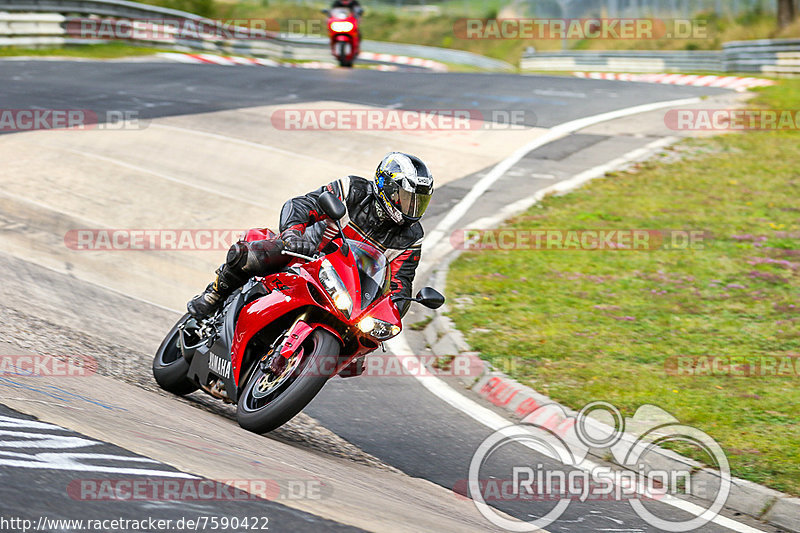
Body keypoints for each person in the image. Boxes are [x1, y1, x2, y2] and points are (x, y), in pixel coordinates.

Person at [187, 152, 434, 320]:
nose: (412, 208)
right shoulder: (354, 190)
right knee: (251, 255)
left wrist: (393, 309)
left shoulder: (412, 237)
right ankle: (215, 293)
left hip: (349, 294)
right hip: (306, 257)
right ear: (386, 188)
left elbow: (400, 284)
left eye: (418, 202)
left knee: (359, 349)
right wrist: (294, 234)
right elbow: (303, 205)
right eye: (407, 198)